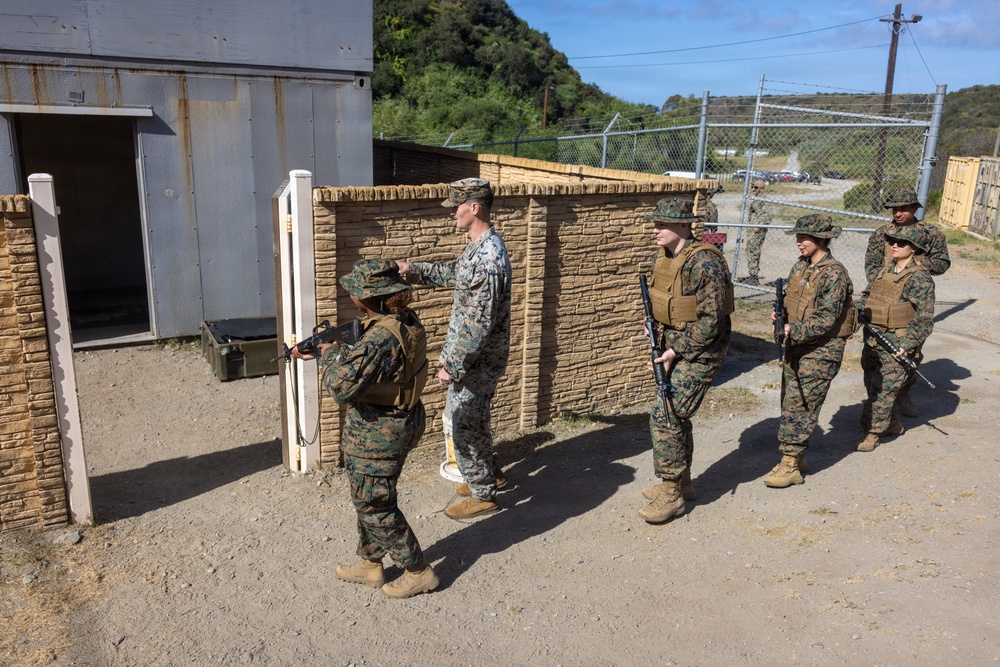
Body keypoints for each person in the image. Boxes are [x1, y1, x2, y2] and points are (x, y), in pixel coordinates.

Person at [291, 259, 437, 599]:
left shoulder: (380, 337)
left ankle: (418, 570)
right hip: (398, 420)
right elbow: (372, 362)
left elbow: (341, 387)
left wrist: (327, 355)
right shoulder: (399, 320)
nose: (350, 297)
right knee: (369, 493)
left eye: (354, 292)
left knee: (373, 502)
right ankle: (370, 562)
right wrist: (336, 349)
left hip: (380, 431)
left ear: (368, 297)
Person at [396, 178, 512, 520]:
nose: (451, 213)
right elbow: (453, 273)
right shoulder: (479, 247)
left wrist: (454, 366)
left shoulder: (488, 257)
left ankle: (483, 494)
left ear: (474, 207)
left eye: (455, 207)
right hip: (475, 360)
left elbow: (477, 325)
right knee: (476, 418)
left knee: (465, 423)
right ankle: (488, 473)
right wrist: (412, 270)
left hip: (476, 362)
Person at [640, 196, 733, 523]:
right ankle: (683, 481)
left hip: (701, 349)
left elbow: (712, 322)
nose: (656, 230)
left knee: (665, 413)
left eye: (663, 224)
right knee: (674, 413)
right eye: (655, 223)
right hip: (674, 344)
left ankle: (671, 493)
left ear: (684, 225)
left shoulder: (706, 263)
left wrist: (673, 350)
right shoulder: (664, 257)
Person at [763, 214, 856, 488]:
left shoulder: (834, 273)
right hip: (797, 347)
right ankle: (797, 455)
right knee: (789, 401)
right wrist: (779, 318)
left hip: (821, 351)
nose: (798, 242)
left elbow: (827, 318)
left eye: (804, 237)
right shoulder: (802, 266)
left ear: (821, 239)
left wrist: (794, 330)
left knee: (801, 405)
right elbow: (793, 302)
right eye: (797, 237)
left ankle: (790, 464)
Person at [864, 188, 949, 418]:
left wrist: (918, 267)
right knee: (872, 358)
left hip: (912, 300)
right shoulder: (882, 233)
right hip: (884, 297)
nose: (898, 213)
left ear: (914, 208)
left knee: (909, 355)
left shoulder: (931, 233)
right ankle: (880, 405)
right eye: (894, 209)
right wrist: (882, 285)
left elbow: (942, 263)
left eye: (903, 208)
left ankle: (903, 392)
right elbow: (871, 265)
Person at [856, 225, 935, 453]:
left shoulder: (919, 279)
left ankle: (872, 432)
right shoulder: (883, 272)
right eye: (892, 242)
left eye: (901, 243)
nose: (894, 246)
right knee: (871, 384)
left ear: (914, 249)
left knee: (884, 389)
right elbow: (866, 297)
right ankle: (891, 423)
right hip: (873, 339)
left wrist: (907, 345)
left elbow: (924, 318)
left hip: (896, 343)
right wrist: (858, 312)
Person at [743, 179, 772, 285]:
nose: (753, 189)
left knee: (753, 251)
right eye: (752, 187)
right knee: (750, 250)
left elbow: (768, 215)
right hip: (752, 230)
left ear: (762, 189)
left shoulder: (763, 200)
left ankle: (754, 276)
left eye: (755, 187)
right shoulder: (756, 199)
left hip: (757, 230)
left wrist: (758, 226)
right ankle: (752, 274)